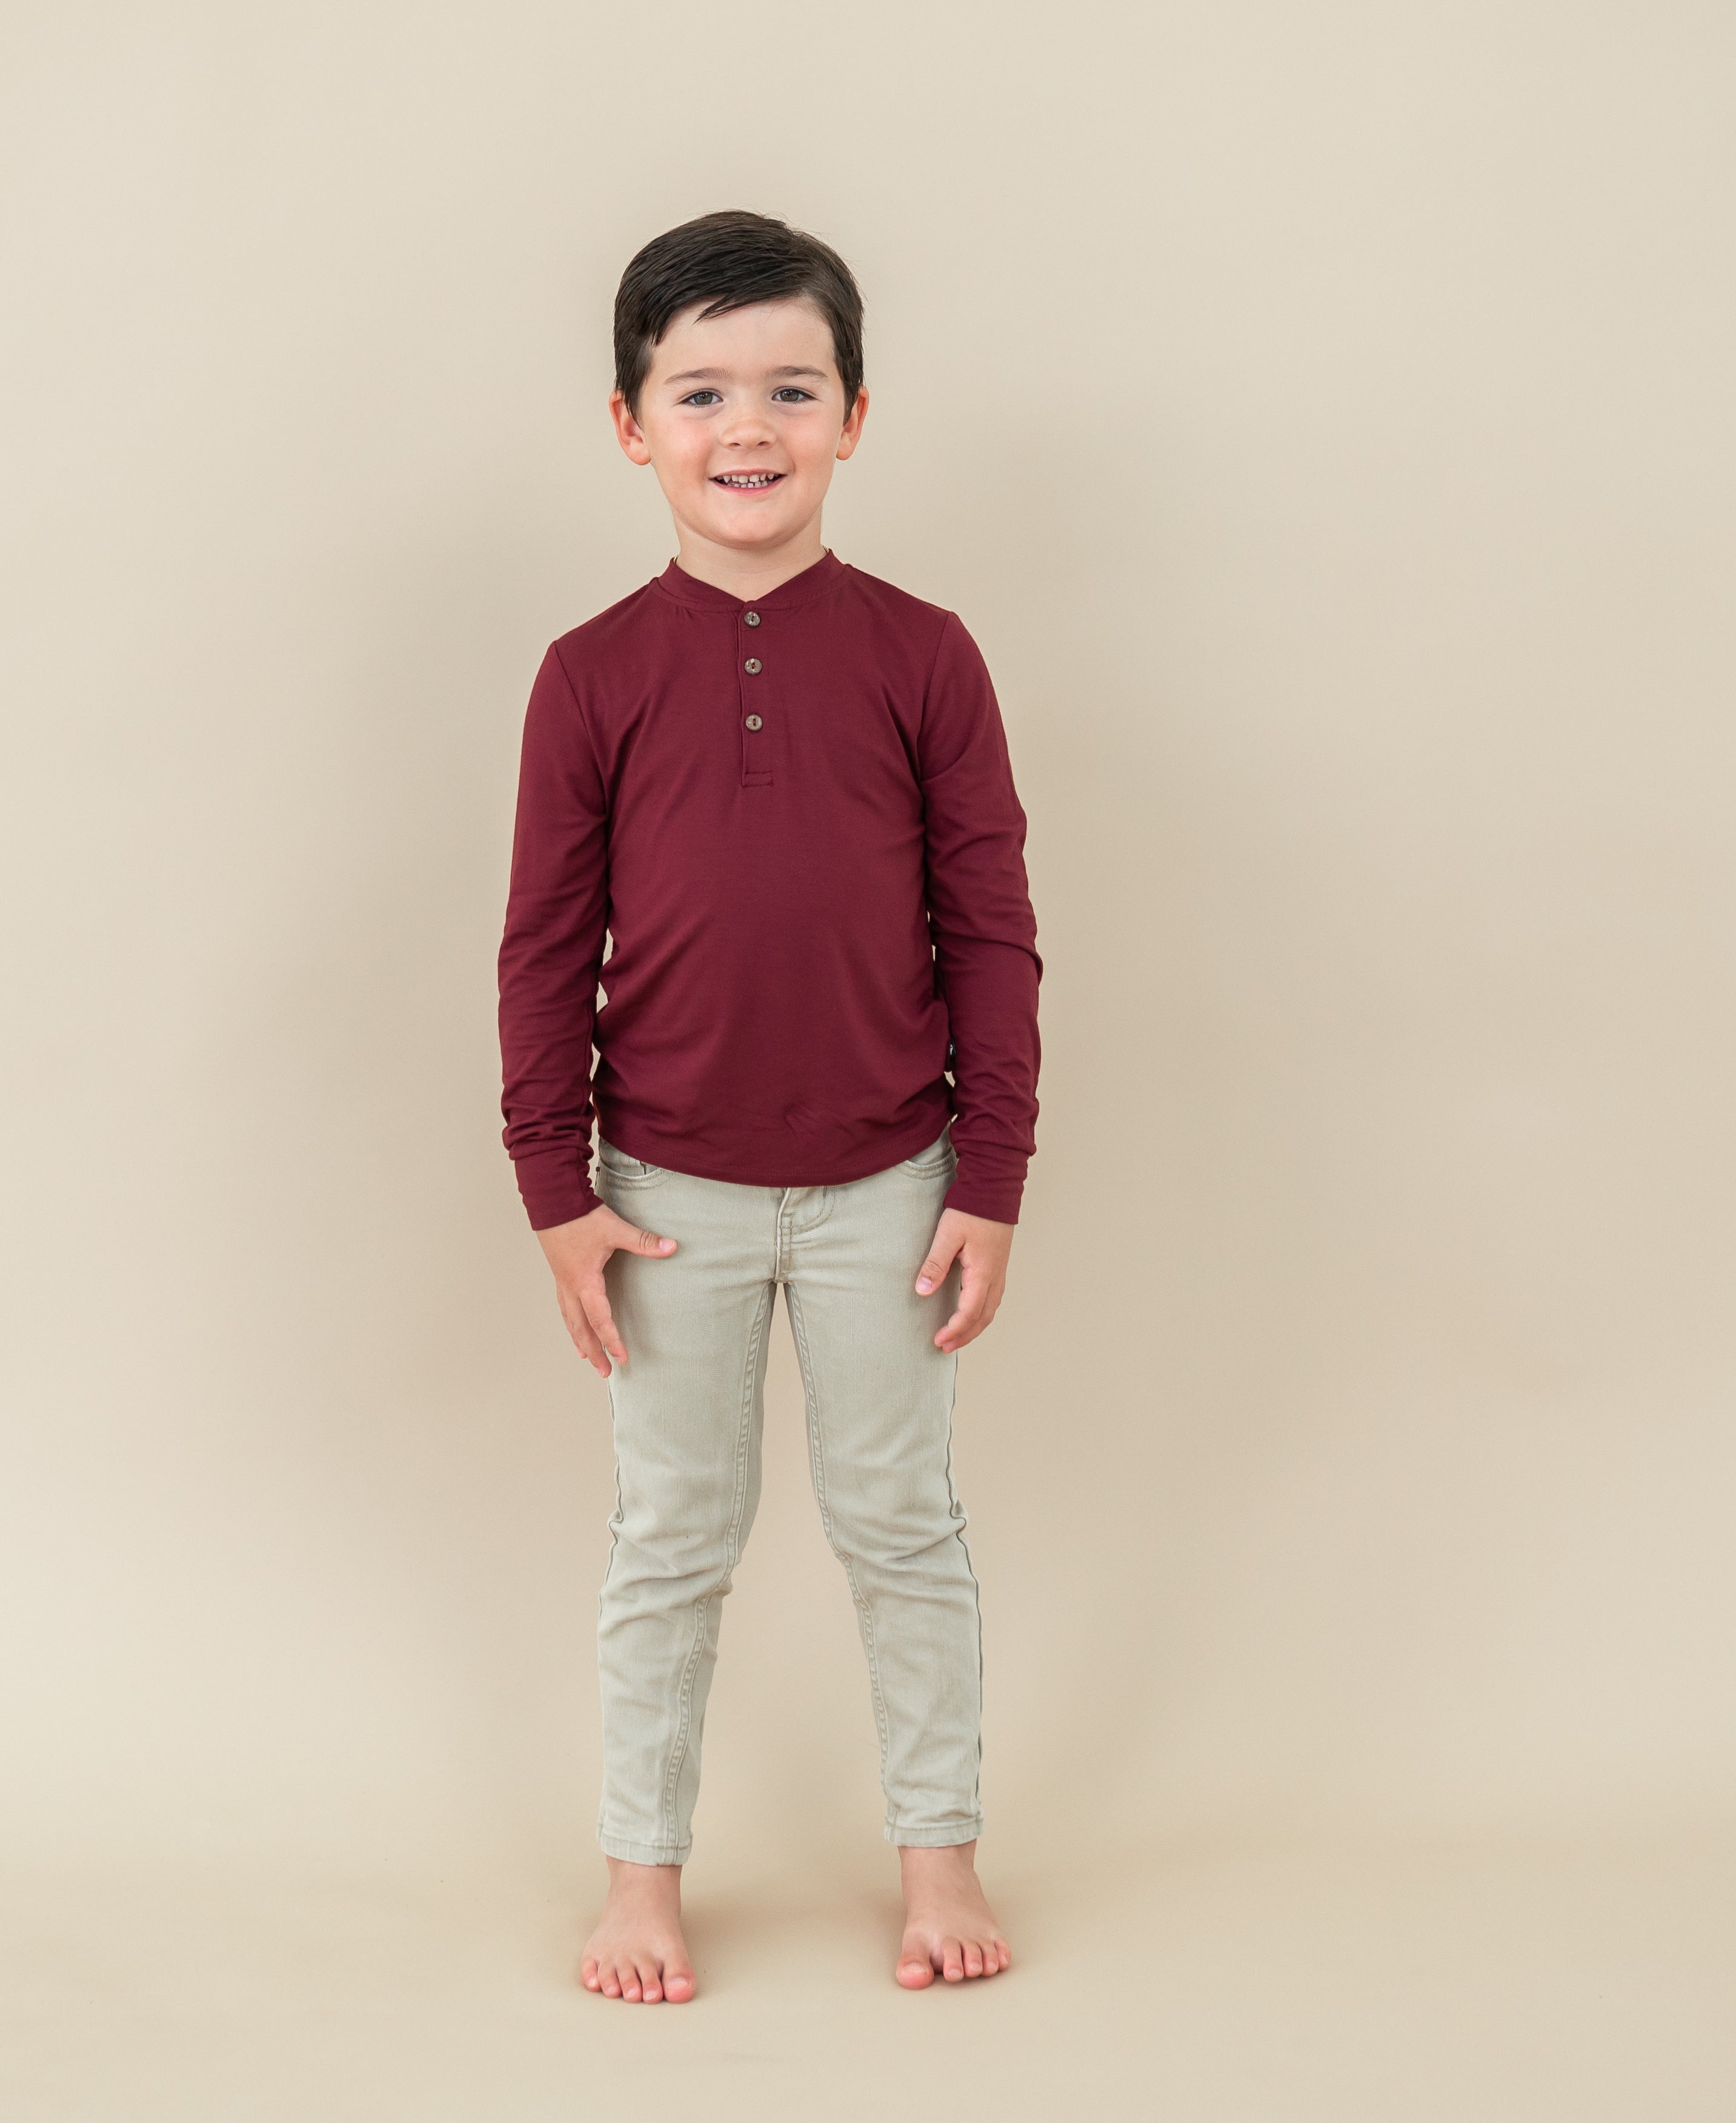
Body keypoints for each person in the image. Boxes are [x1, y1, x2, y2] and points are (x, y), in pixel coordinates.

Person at [496, 209, 1042, 2004]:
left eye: (792, 388)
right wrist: (554, 1188)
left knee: (904, 1527)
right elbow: (542, 946)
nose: (751, 425)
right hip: (665, 1193)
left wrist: (992, 1176)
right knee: (672, 1542)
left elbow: (992, 927)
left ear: (854, 419)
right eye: (704, 388)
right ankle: (642, 1883)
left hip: (893, 1183)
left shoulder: (924, 653)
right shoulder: (590, 673)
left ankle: (940, 1861)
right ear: (632, 423)